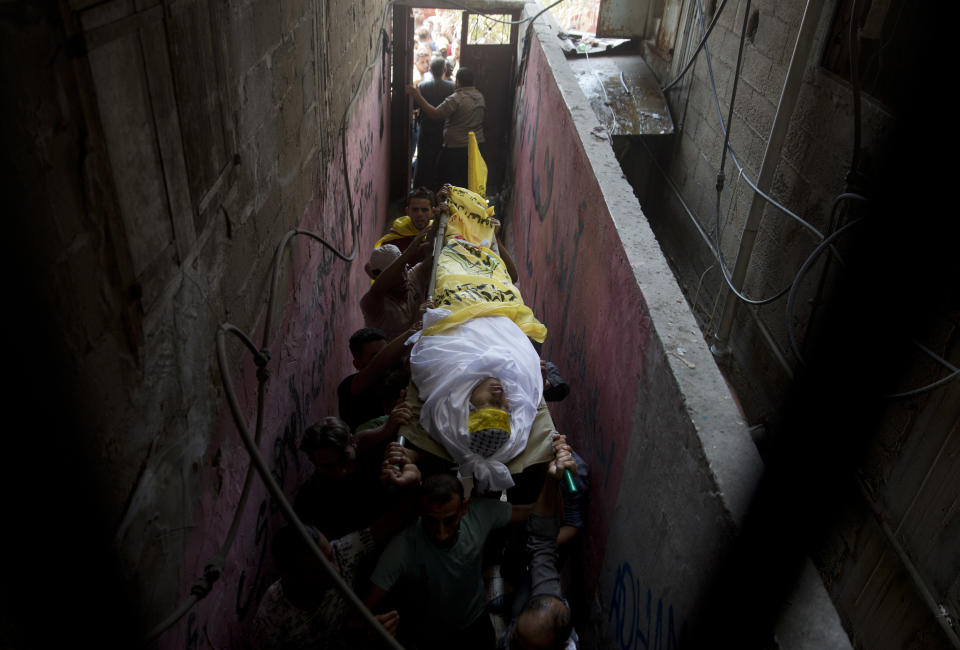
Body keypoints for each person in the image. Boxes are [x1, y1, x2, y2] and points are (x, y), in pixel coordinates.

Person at [364, 436, 575, 650]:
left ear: (464, 508)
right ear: (420, 512)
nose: (441, 532)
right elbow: (359, 615)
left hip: (475, 621)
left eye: (449, 520)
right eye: (431, 521)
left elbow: (538, 517)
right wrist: (371, 629)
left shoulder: (479, 513)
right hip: (428, 634)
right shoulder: (402, 549)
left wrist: (553, 484)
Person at [405, 67, 485, 189]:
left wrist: (417, 95)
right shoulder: (479, 96)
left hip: (456, 148)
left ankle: (447, 205)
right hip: (475, 146)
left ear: (458, 81)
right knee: (467, 181)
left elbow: (435, 114)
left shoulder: (457, 98)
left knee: (447, 181)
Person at [360, 226, 434, 341]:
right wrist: (408, 252)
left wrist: (438, 221)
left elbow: (432, 256)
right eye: (396, 274)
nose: (404, 277)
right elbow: (377, 289)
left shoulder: (412, 277)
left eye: (404, 268)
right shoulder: (371, 304)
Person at [413, 59, 455, 191]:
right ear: (444, 70)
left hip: (426, 128)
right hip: (444, 129)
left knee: (424, 159)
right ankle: (440, 189)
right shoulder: (452, 87)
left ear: (430, 70)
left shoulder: (422, 86)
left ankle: (422, 187)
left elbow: (415, 106)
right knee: (442, 160)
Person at [374, 187, 437, 252]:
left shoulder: (439, 233)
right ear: (407, 211)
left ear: (433, 212)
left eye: (424, 210)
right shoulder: (395, 238)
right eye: (415, 210)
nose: (419, 214)